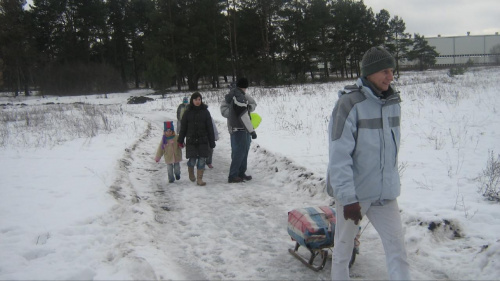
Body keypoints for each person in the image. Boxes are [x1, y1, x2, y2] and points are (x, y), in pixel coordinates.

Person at [326, 46, 411, 280]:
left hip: (384, 193)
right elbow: (339, 155)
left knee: (397, 249)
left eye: (392, 70)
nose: (390, 76)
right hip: (355, 194)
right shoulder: (349, 104)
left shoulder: (393, 102)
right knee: (343, 249)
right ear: (370, 73)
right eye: (385, 71)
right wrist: (347, 198)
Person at [220, 77, 257, 183]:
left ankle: (241, 173)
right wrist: (233, 114)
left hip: (244, 127)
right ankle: (233, 175)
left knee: (244, 150)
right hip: (235, 128)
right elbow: (223, 111)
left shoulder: (243, 96)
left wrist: (248, 108)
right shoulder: (229, 97)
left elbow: (253, 104)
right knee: (238, 152)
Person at [178, 92, 216, 186]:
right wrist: (180, 140)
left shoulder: (205, 112)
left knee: (202, 160)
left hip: (203, 140)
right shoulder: (187, 112)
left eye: (199, 99)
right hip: (191, 140)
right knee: (192, 160)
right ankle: (191, 172)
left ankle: (200, 179)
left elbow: (210, 127)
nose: (198, 101)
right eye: (195, 100)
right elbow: (183, 128)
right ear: (192, 101)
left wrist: (212, 141)